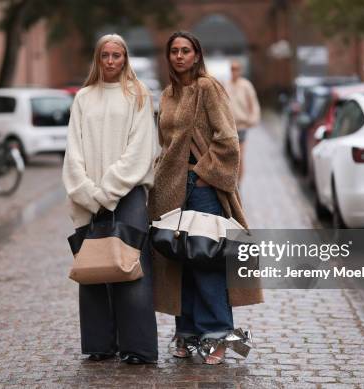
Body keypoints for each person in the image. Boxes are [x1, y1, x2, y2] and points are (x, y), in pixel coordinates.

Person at [148, 31, 263, 365]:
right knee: (177, 263)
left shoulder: (208, 88)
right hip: (169, 191)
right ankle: (187, 333)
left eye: (186, 50)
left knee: (207, 262)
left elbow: (228, 139)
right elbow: (164, 142)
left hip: (202, 190)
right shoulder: (168, 94)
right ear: (168, 57)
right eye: (174, 51)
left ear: (196, 55)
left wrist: (201, 176)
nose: (180, 56)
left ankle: (217, 335)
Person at [62, 34, 159, 365]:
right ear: (98, 58)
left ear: (125, 58)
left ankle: (138, 347)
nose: (111, 61)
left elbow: (141, 150)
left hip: (127, 193)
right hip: (87, 196)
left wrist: (107, 191)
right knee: (93, 267)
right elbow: (73, 149)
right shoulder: (84, 98)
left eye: (117, 55)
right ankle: (99, 344)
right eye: (105, 55)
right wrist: (88, 192)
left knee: (130, 267)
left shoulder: (138, 95)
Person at [224, 60, 261, 182]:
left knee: (239, 157)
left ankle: (238, 183)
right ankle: (232, 181)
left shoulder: (246, 85)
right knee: (230, 157)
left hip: (241, 126)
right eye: (232, 69)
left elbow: (253, 104)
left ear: (240, 70)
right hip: (228, 127)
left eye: (236, 69)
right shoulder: (225, 85)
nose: (234, 71)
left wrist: (252, 120)